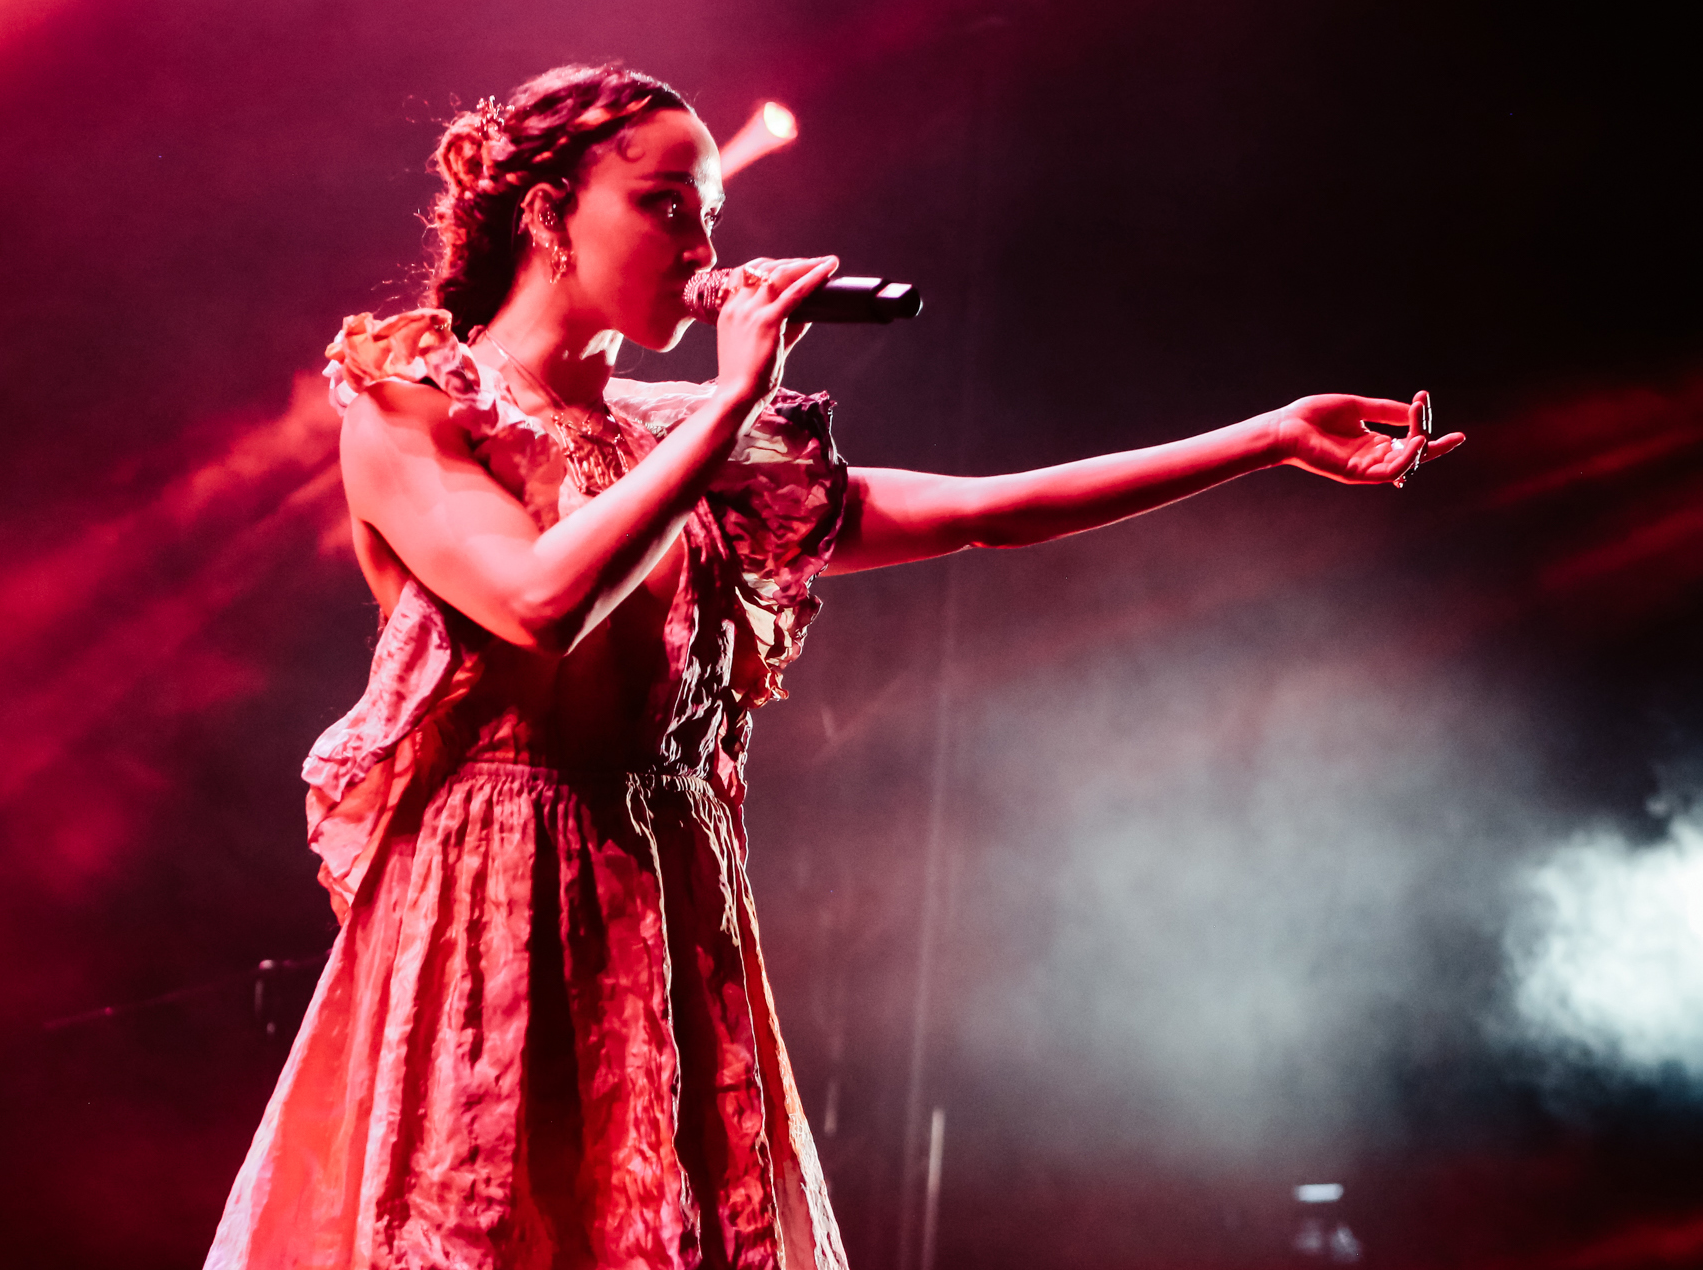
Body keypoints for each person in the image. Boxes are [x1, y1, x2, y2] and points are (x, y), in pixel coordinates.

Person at [204, 63, 1463, 1270]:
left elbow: (982, 508)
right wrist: (731, 392)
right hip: (493, 909)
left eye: (709, 215)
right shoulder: (417, 403)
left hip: (662, 904)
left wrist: (1266, 438)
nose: (701, 247)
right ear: (547, 213)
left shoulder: (679, 443)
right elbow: (538, 604)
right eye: (663, 207)